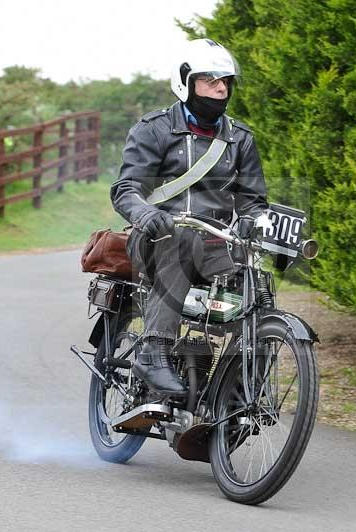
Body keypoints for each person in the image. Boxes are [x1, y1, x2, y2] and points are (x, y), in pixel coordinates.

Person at [110, 39, 268, 397]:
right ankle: (153, 350)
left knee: (254, 281)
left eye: (226, 80)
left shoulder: (240, 138)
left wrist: (253, 220)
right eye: (211, 79)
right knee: (181, 241)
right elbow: (126, 189)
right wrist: (146, 213)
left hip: (216, 244)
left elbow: (254, 201)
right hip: (157, 238)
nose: (221, 87)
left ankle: (240, 388)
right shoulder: (154, 129)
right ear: (185, 80)